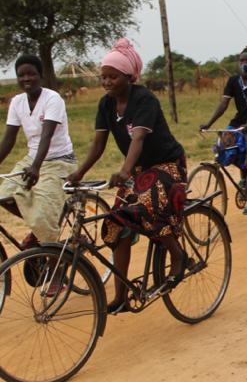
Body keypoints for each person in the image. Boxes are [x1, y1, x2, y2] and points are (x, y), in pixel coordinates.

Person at [66, 38, 187, 314]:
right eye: (103, 77)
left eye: (112, 77)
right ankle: (121, 294)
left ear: (128, 76)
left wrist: (124, 171)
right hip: (139, 170)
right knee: (117, 221)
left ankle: (177, 254)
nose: (107, 82)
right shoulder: (105, 105)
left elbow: (139, 138)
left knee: (148, 202)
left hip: (167, 164)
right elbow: (98, 144)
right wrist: (79, 173)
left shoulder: (144, 99)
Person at [0, 54, 77, 251]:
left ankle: (57, 271)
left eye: (31, 74)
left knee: (43, 216)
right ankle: (39, 230)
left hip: (59, 160)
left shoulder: (52, 99)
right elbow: (9, 138)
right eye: (21, 75)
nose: (26, 79)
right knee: (4, 196)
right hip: (32, 159)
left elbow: (46, 136)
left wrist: (36, 167)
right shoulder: (17, 102)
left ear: (40, 75)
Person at [200, 47, 247, 215]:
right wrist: (209, 123)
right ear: (238, 63)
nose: (245, 64)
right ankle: (243, 179)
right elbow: (224, 104)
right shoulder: (232, 81)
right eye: (242, 61)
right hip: (238, 122)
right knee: (224, 146)